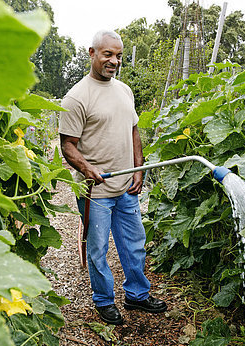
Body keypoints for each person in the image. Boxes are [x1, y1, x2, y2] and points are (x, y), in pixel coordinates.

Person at [59, 30, 167, 325]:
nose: (114, 61)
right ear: (91, 53)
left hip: (126, 186)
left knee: (134, 244)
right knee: (98, 249)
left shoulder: (124, 90)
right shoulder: (76, 97)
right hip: (96, 190)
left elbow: (133, 130)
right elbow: (67, 144)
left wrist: (139, 166)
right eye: (108, 54)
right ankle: (104, 300)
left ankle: (136, 295)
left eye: (118, 55)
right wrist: (86, 169)